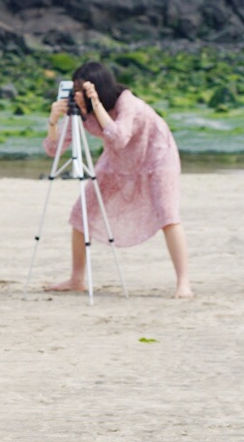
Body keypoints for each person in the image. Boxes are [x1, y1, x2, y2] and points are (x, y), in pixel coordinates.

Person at [43, 61, 192, 299]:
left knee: (168, 215)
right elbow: (54, 149)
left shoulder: (127, 102)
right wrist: (53, 121)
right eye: (76, 90)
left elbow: (119, 136)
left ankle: (184, 283)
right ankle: (76, 278)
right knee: (81, 211)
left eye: (83, 90)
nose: (78, 95)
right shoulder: (80, 111)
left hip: (157, 155)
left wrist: (97, 105)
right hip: (118, 161)